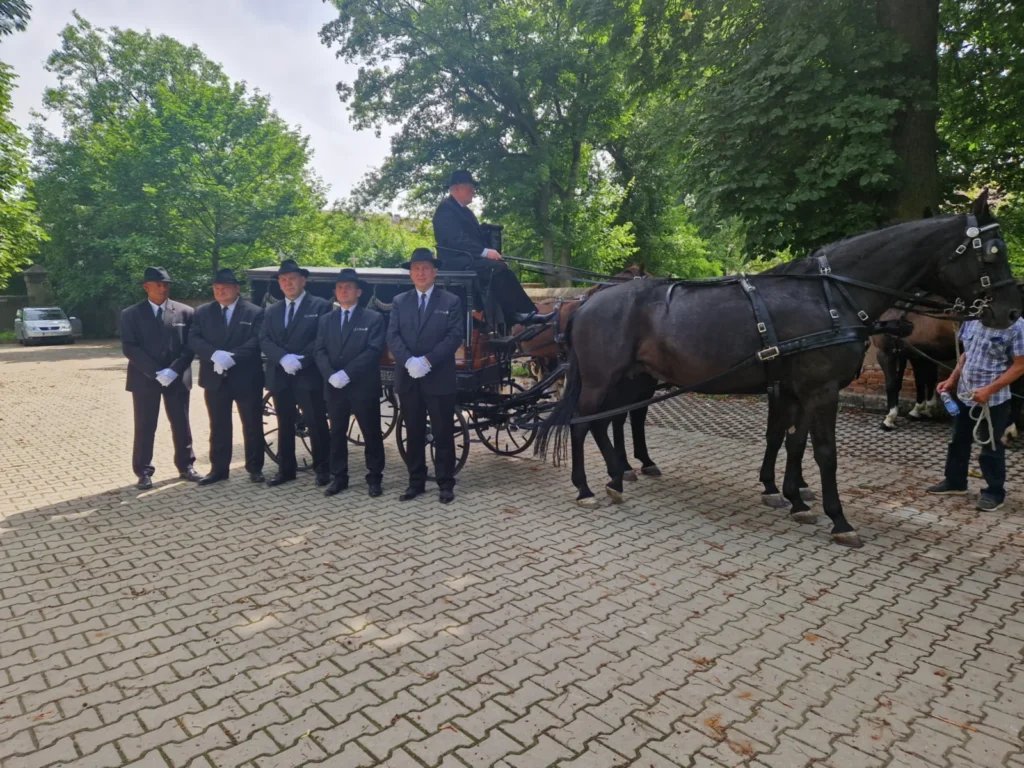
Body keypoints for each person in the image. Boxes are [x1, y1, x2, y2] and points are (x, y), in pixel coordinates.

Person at [386, 248, 464, 503]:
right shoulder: (399, 301)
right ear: (410, 273)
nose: (421, 272)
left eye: (425, 268)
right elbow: (393, 336)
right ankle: (416, 482)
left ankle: (445, 482)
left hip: (438, 375)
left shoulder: (450, 301)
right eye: (416, 268)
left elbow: (454, 336)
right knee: (414, 431)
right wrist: (409, 360)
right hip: (408, 375)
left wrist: (428, 361)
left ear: (435, 272)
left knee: (442, 432)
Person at [927, 316, 1024, 511]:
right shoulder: (973, 320)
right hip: (966, 393)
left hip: (993, 400)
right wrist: (952, 379)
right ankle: (955, 482)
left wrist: (989, 390)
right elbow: (966, 354)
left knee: (990, 444)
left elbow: (1020, 365)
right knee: (958, 439)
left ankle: (994, 492)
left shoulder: (1017, 326)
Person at [121, 266, 199, 489]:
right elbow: (130, 347)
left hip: (177, 377)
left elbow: (189, 346)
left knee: (181, 423)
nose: (163, 288)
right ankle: (143, 471)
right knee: (145, 425)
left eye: (166, 284)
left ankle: (186, 466)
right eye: (158, 284)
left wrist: (173, 370)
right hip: (145, 379)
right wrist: (155, 372)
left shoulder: (185, 312)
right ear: (146, 287)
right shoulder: (131, 314)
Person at [188, 268, 266, 485]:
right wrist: (214, 354)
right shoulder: (202, 312)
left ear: (236, 289)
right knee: (218, 425)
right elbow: (194, 338)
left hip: (246, 377)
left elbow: (257, 339)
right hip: (215, 378)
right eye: (216, 288)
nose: (220, 292)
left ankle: (255, 468)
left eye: (225, 288)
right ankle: (218, 469)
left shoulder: (254, 312)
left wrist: (232, 357)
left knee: (252, 424)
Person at [314, 268, 386, 498]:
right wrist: (330, 374)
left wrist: (347, 373)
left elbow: (373, 350)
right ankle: (339, 477)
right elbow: (319, 350)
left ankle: (374, 478)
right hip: (335, 387)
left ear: (359, 292)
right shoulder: (326, 320)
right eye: (339, 287)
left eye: (348, 287)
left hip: (362, 385)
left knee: (371, 433)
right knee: (336, 433)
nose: (343, 291)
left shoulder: (373, 318)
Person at [432, 168, 536, 328]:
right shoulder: (445, 210)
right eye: (470, 186)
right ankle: (517, 314)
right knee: (497, 269)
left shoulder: (465, 211)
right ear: (457, 188)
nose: (473, 191)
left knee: (501, 267)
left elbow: (476, 238)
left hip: (468, 257)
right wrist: (485, 252)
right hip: (455, 262)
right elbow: (456, 240)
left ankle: (521, 313)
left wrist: (493, 251)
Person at [259, 258, 332, 487]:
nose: (288, 283)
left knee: (316, 421)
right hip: (281, 374)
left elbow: (322, 338)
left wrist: (301, 360)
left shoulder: (320, 306)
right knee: (285, 422)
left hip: (307, 373)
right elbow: (264, 339)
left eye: (292, 279)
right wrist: (282, 358)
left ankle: (323, 468)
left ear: (303, 280)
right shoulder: (272, 310)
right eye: (283, 280)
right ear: (279, 284)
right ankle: (286, 469)